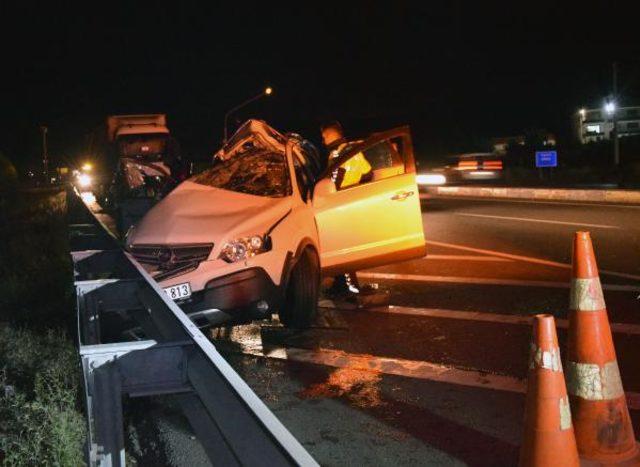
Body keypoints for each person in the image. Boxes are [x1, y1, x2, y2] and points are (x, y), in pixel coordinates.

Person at [320, 120, 372, 296]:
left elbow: (334, 181)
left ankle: (349, 288)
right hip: (350, 202)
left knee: (340, 245)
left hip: (338, 204)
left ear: (330, 135)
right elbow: (368, 173)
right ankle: (342, 284)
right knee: (342, 244)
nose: (323, 140)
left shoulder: (338, 154)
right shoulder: (354, 151)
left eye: (323, 136)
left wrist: (323, 197)